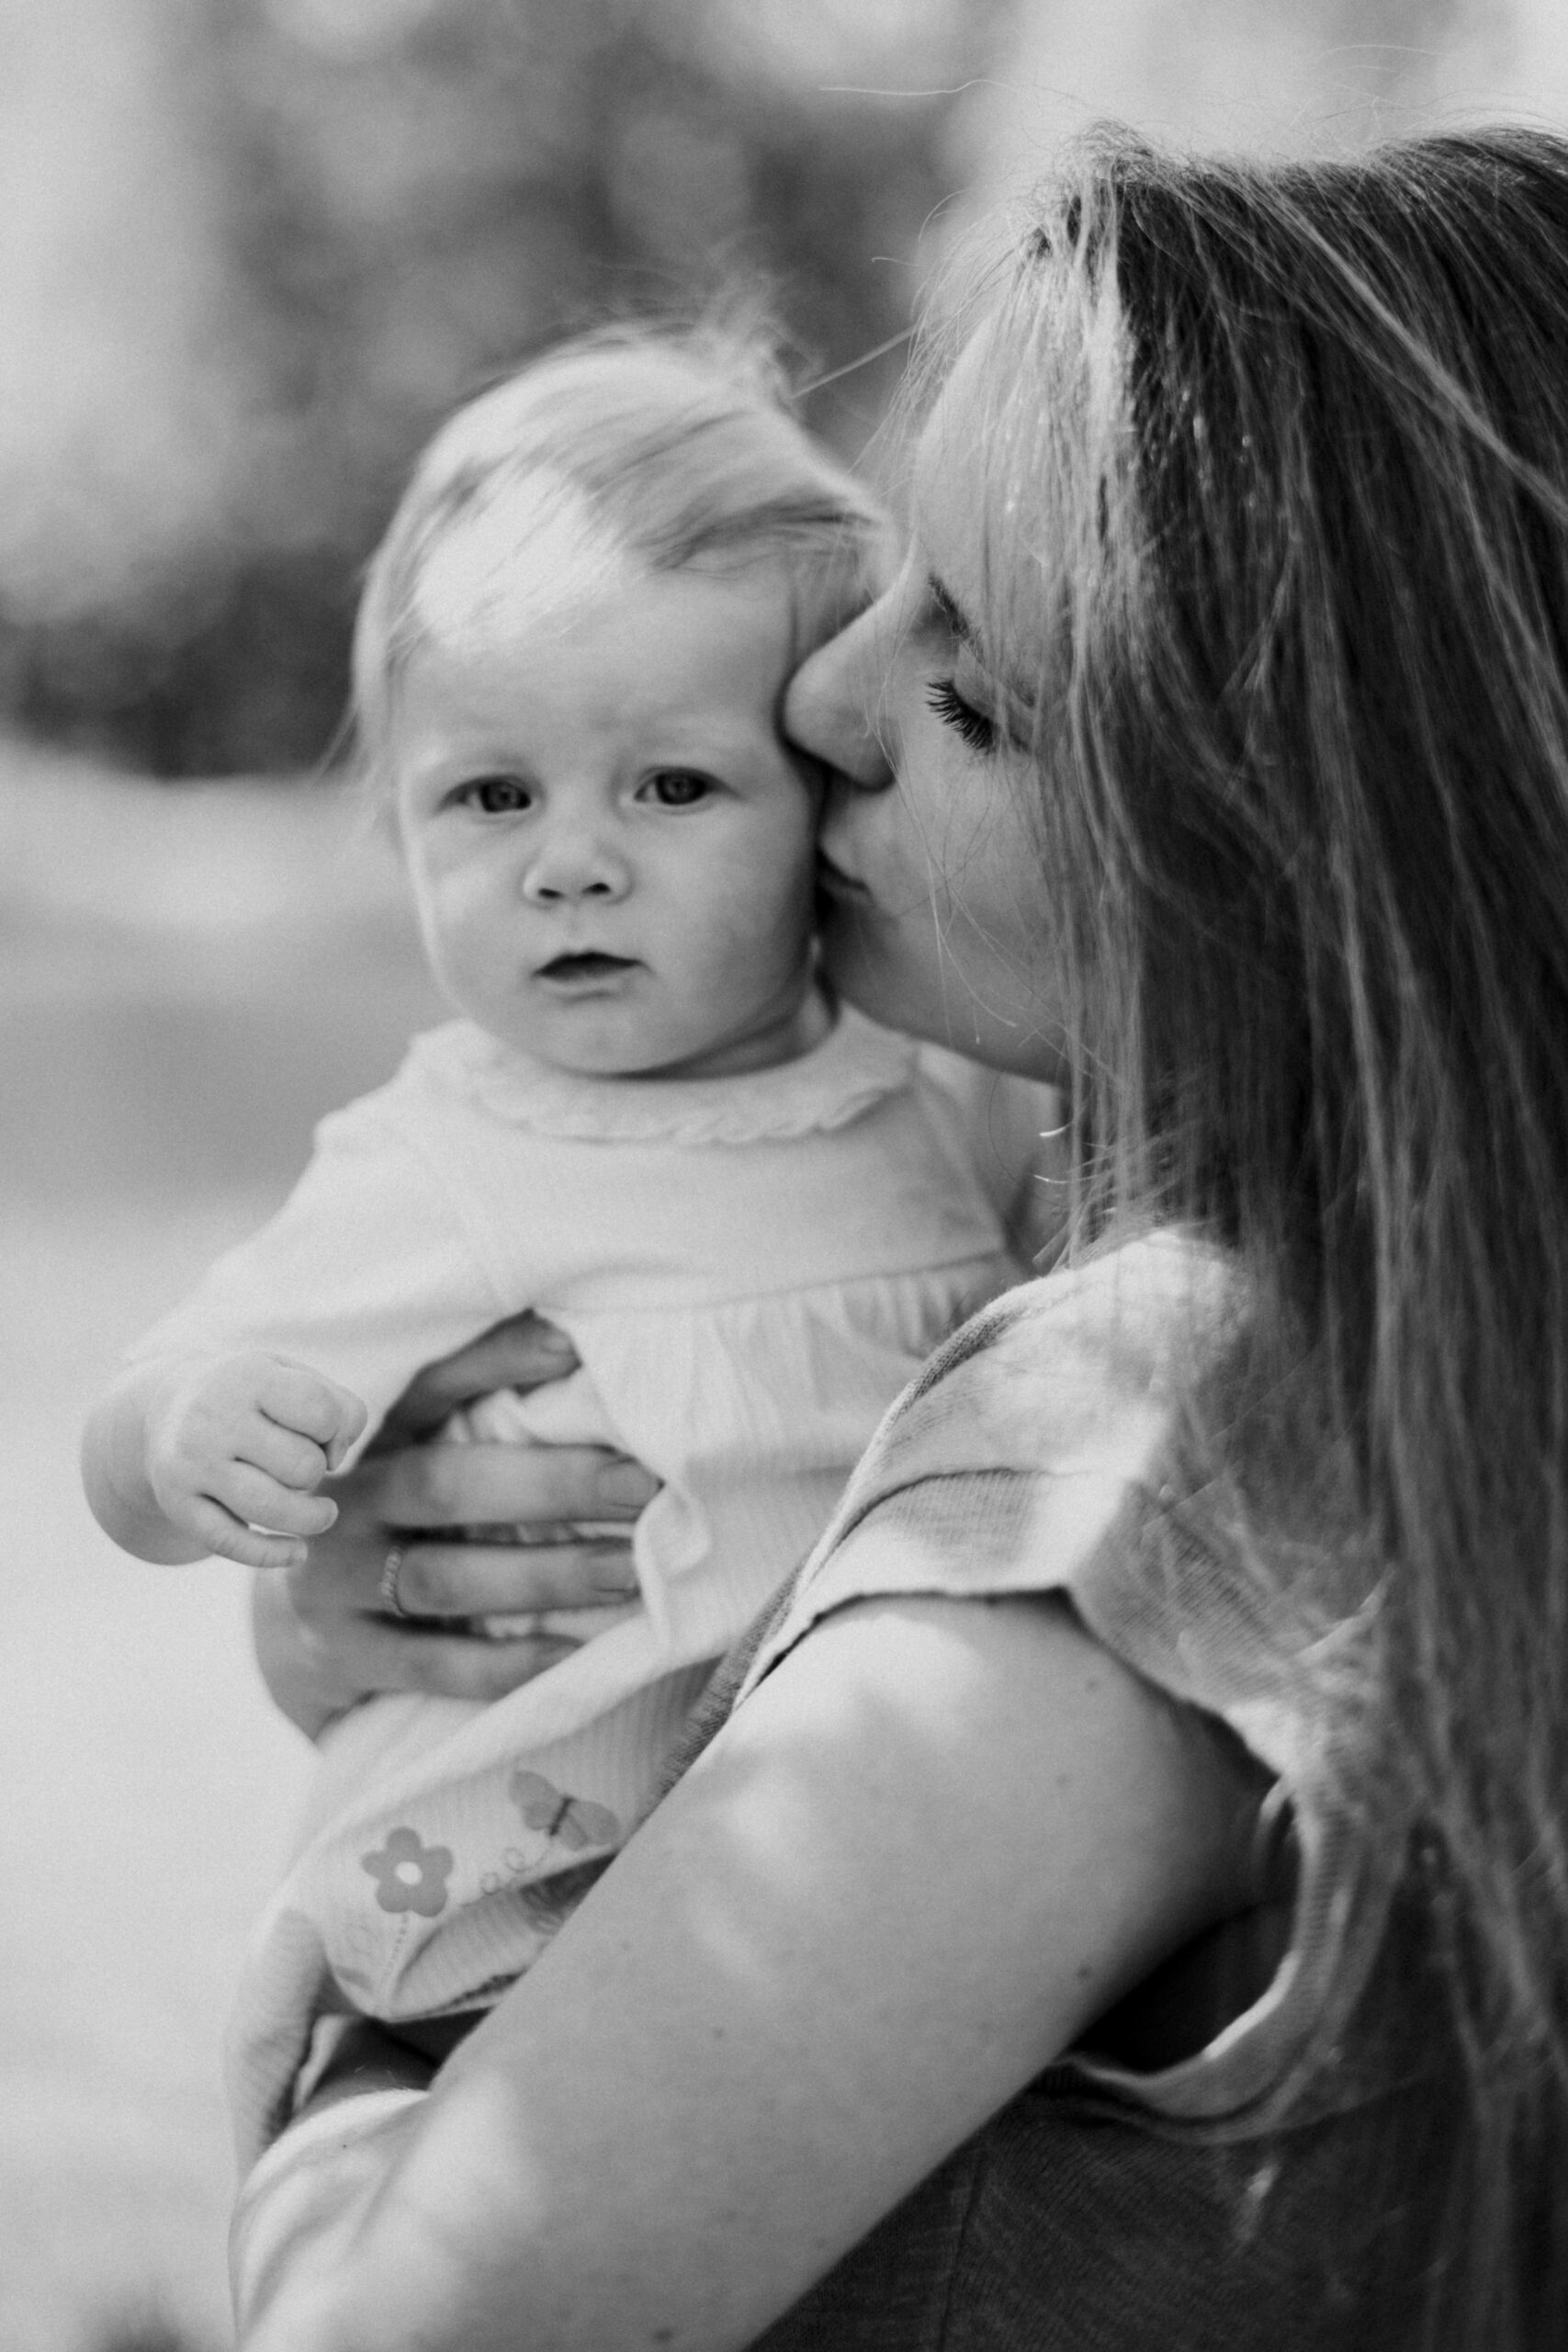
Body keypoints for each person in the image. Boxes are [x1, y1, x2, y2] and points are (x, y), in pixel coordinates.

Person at [228, 125, 1568, 2349]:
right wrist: (385, 1653)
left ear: (1299, 837)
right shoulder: (1436, 1347)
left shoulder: (1144, 1443)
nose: (824, 699)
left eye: (975, 688)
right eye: (888, 573)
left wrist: (359, 2048)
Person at [81, 326, 1056, 2162]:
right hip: (507, 1912)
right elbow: (155, 1400)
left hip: (820, 1891)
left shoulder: (928, 1089)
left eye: (672, 787)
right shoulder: (463, 1151)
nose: (572, 862)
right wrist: (185, 1440)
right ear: (397, 822)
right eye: (491, 795)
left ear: (822, 802)